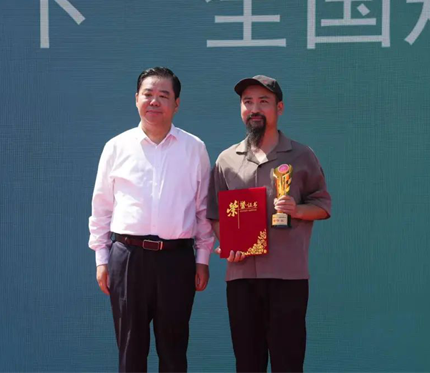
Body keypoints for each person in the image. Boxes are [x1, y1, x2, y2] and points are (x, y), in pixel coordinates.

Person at [88, 67, 215, 373]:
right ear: (136, 99)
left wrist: (203, 259)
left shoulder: (194, 148)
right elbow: (102, 207)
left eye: (163, 95)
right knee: (131, 349)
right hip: (127, 258)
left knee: (174, 349)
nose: (154, 101)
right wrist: (101, 258)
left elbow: (202, 209)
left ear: (176, 104)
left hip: (176, 259)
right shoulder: (116, 147)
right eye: (148, 94)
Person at [207, 75, 332, 373]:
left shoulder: (302, 155)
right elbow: (215, 214)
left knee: (288, 362)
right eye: (247, 102)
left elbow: (322, 205)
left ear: (279, 108)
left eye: (263, 101)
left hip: (287, 276)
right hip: (241, 278)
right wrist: (230, 244)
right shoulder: (226, 160)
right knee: (247, 362)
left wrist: (297, 209)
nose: (254, 108)